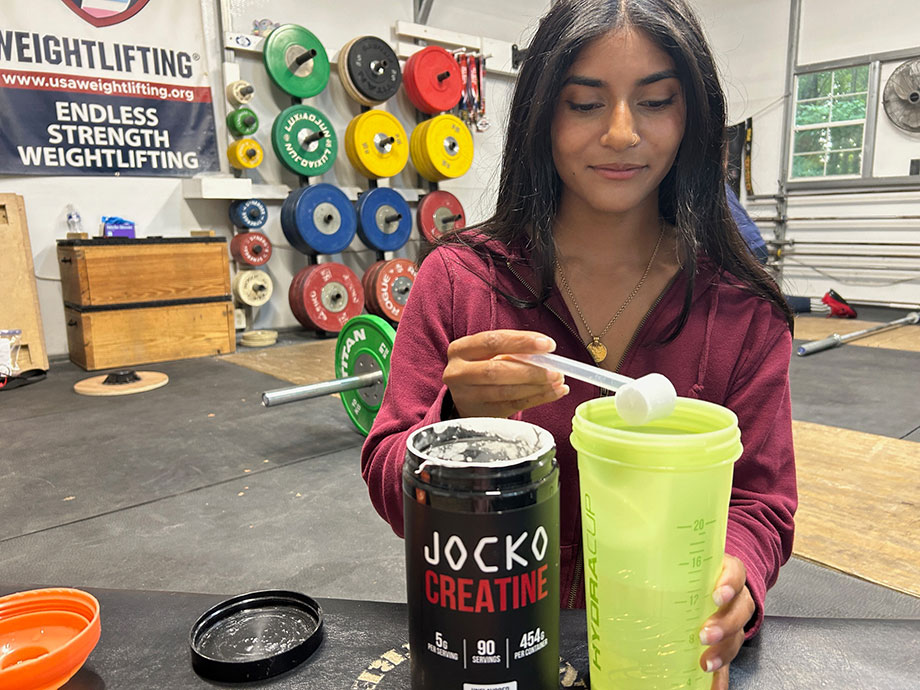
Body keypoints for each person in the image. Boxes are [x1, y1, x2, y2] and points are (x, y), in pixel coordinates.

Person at [361, 1, 797, 687]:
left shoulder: (740, 312)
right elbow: (389, 479)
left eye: (655, 102)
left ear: (694, 117)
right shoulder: (460, 282)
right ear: (541, 114)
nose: (622, 134)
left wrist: (735, 575)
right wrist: (453, 425)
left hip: (663, 652)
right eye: (586, 104)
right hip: (491, 650)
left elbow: (762, 502)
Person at [726, 184, 858, 317]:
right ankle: (826, 305)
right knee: (746, 295)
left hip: (743, 248)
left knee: (746, 296)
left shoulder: (710, 183)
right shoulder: (718, 180)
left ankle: (827, 306)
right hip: (749, 245)